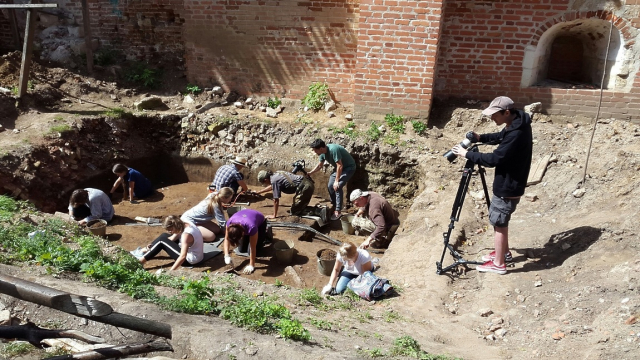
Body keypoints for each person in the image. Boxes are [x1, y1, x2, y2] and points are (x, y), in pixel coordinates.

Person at [452, 96, 533, 275]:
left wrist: (467, 155)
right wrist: (481, 137)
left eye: (494, 115)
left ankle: (498, 264)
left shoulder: (516, 132)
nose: (491, 118)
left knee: (499, 223)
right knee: (500, 222)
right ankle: (504, 253)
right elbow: (500, 137)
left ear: (506, 112)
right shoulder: (517, 122)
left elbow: (495, 159)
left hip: (508, 186)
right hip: (511, 183)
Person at [307, 139, 356, 220]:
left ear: (321, 148)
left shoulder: (333, 149)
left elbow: (340, 165)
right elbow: (320, 166)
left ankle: (338, 211)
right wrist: (310, 173)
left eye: (315, 149)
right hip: (339, 168)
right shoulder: (322, 153)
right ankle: (334, 205)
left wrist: (336, 181)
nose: (314, 151)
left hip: (348, 168)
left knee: (337, 186)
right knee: (330, 186)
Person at [135, 215, 204, 270]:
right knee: (164, 236)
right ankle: (147, 250)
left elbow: (183, 256)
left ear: (175, 226)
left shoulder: (186, 235)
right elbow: (171, 238)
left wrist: (171, 272)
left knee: (161, 241)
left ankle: (139, 263)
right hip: (196, 253)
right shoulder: (185, 222)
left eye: (170, 230)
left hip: (190, 261)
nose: (170, 232)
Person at [223, 209, 268, 275]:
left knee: (252, 251)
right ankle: (249, 237)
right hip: (245, 222)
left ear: (242, 234)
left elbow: (253, 247)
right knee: (241, 250)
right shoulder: (230, 224)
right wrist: (226, 255)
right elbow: (226, 239)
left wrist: (251, 265)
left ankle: (266, 233)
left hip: (260, 223)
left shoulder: (252, 227)